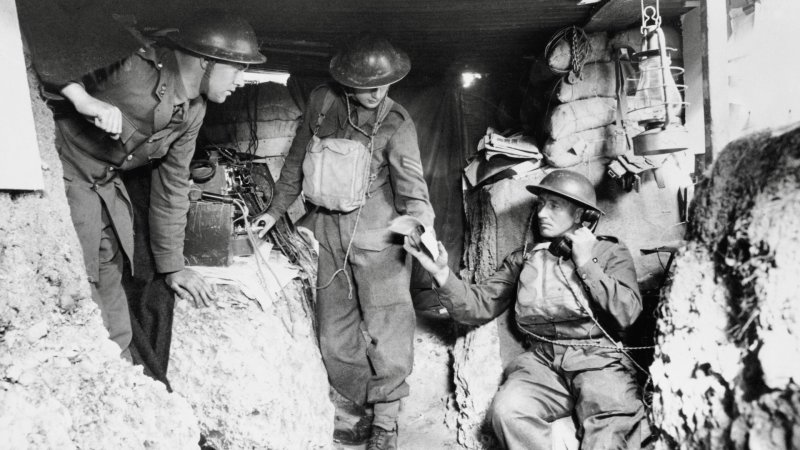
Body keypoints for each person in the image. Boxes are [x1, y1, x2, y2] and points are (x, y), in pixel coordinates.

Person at [253, 34, 435, 449]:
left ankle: (386, 421)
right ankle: (358, 410)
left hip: (379, 237)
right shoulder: (323, 102)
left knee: (387, 328)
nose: (374, 94)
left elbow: (414, 192)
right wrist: (276, 209)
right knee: (335, 332)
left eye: (382, 85)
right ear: (346, 82)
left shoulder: (396, 123)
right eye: (364, 86)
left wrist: (420, 227)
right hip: (324, 231)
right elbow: (297, 161)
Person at [53, 9, 266, 358]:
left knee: (114, 287)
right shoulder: (129, 66)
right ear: (204, 62)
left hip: (107, 189)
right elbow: (51, 52)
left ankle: (125, 377)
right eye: (237, 68)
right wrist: (82, 98)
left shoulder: (193, 111)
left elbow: (172, 186)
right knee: (78, 286)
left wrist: (173, 266)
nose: (240, 80)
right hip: (67, 178)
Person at [405, 170, 649, 450]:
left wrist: (586, 264)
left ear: (583, 215)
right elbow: (477, 305)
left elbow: (628, 313)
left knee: (611, 427)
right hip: (542, 362)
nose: (543, 213)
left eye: (554, 205)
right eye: (541, 203)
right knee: (508, 411)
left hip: (596, 359)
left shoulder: (608, 253)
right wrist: (441, 273)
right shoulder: (524, 259)